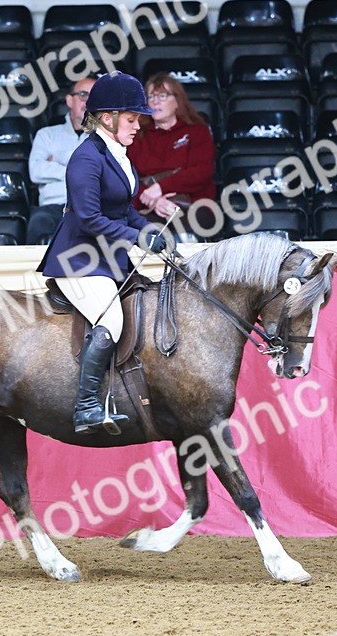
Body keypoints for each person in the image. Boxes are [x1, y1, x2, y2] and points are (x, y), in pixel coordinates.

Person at [36, 72, 172, 436]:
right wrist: (135, 238)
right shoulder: (86, 158)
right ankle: (86, 407)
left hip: (108, 258)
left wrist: (148, 230)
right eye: (132, 119)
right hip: (77, 258)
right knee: (111, 320)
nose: (138, 126)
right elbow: (89, 217)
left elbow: (123, 209)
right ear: (108, 118)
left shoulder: (118, 155)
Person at [127, 72, 217, 235]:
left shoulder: (197, 131)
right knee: (146, 232)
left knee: (189, 230)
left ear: (177, 101)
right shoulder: (136, 136)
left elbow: (202, 172)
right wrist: (153, 201)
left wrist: (161, 188)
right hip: (149, 207)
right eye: (151, 97)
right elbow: (126, 178)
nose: (155, 101)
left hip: (193, 204)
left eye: (162, 95)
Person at [26, 76, 96, 244]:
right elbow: (36, 171)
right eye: (83, 95)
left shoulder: (105, 138)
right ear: (70, 100)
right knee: (38, 221)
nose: (88, 102)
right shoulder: (47, 135)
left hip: (92, 209)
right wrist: (78, 170)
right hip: (53, 207)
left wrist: (57, 158)